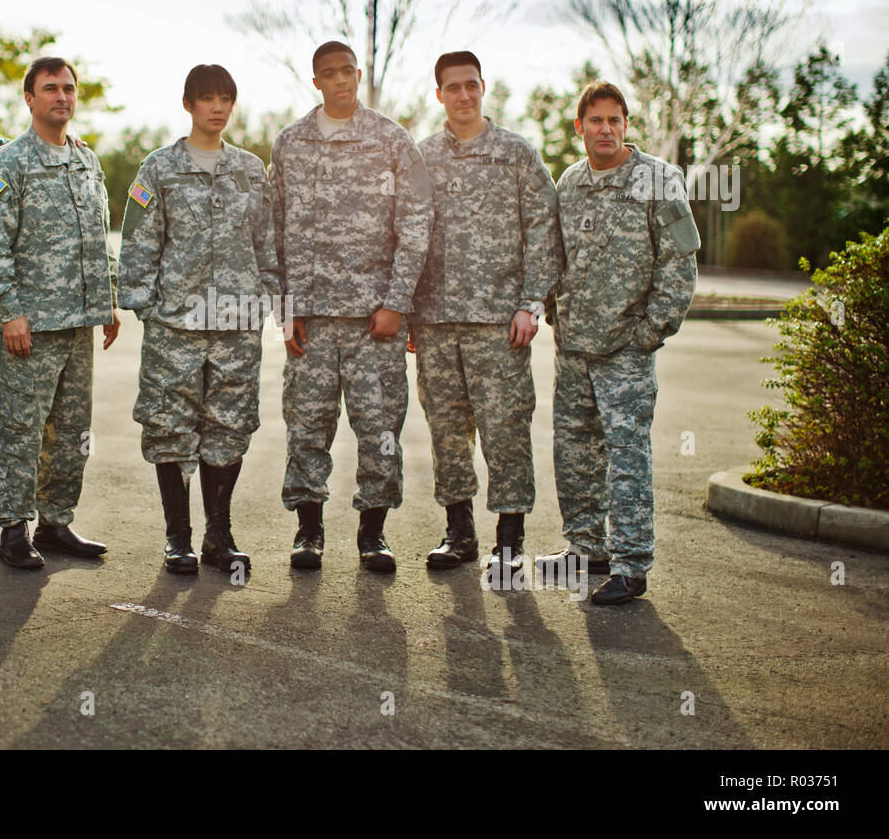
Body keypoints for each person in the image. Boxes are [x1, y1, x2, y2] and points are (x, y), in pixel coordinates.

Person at [266, 41, 433, 572]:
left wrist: (397, 303)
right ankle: (308, 532)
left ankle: (372, 534)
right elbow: (274, 229)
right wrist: (283, 309)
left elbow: (415, 224)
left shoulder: (392, 140)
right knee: (307, 426)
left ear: (358, 75)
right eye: (328, 74)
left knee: (379, 427)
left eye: (347, 72)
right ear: (315, 81)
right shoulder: (290, 144)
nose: (340, 81)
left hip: (373, 321)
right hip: (310, 320)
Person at [537, 81, 700, 604]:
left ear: (626, 125)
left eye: (614, 120)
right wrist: (552, 313)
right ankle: (586, 549)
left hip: (626, 351)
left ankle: (631, 565)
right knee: (575, 450)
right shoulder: (570, 183)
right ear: (579, 128)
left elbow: (680, 264)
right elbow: (554, 257)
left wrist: (651, 331)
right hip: (574, 349)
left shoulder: (658, 179)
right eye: (595, 120)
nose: (605, 129)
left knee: (627, 456)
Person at [118, 64, 279, 575]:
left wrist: (266, 299)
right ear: (188, 104)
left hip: (236, 326)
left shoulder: (252, 170)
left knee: (228, 428)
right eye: (207, 98)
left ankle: (218, 536)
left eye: (225, 98)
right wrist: (148, 307)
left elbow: (267, 242)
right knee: (169, 428)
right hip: (176, 327)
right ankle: (178, 539)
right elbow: (139, 241)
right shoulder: (158, 169)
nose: (218, 107)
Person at [409, 51, 562, 582]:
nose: (464, 96)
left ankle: (511, 539)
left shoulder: (516, 153)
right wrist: (407, 308)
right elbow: (406, 234)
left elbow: (543, 229)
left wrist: (530, 302)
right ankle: (460, 533)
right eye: (453, 88)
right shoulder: (422, 156)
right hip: (434, 322)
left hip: (500, 323)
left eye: (471, 85)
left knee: (504, 429)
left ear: (483, 88)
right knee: (447, 430)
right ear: (440, 95)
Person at [0, 57, 119, 570]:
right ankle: (14, 529)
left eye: (69, 89)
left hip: (78, 323)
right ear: (28, 99)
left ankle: (56, 522)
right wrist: (8, 310)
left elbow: (100, 238)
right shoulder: (8, 163)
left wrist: (109, 299)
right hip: (29, 325)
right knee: (23, 429)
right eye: (50, 88)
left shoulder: (87, 161)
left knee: (73, 428)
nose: (61, 97)